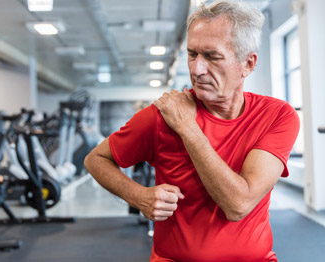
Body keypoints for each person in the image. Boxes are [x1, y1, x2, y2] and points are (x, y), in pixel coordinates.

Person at [84, 0, 300, 261]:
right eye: (192, 54)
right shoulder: (162, 114)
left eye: (212, 56)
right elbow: (96, 159)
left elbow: (238, 204)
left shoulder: (277, 116)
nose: (197, 69)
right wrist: (138, 196)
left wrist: (188, 128)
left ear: (248, 64)